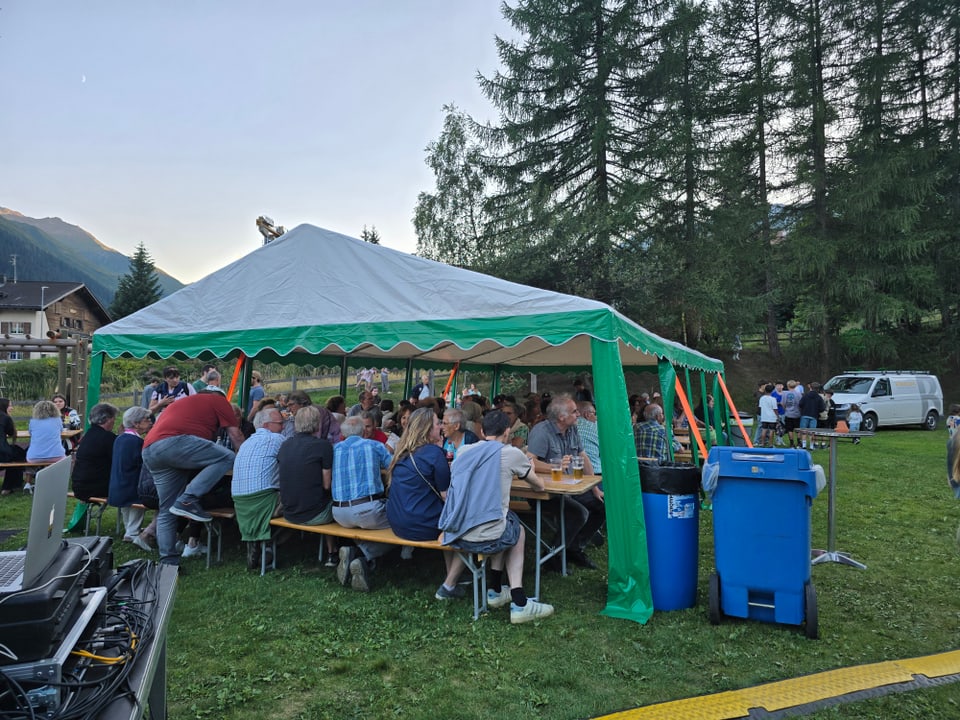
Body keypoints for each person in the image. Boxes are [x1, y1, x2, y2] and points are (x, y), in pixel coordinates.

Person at [439, 410, 554, 624]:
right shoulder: (511, 453)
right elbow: (538, 486)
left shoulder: (464, 451)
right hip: (487, 534)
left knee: (505, 519)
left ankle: (495, 590)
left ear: (482, 431)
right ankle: (519, 602)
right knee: (516, 531)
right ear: (508, 432)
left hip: (458, 531)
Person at [141, 389, 245, 566]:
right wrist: (247, 462)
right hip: (174, 443)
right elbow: (236, 436)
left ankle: (168, 563)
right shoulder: (220, 402)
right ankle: (189, 498)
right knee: (227, 456)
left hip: (150, 450)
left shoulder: (183, 404)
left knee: (167, 509)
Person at [386, 407, 466, 600]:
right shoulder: (433, 453)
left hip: (397, 523)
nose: (440, 427)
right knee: (466, 523)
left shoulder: (401, 452)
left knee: (447, 521)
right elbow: (447, 496)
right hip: (421, 525)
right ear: (427, 428)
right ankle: (450, 583)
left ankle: (451, 575)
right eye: (438, 423)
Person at [526, 394, 603, 569]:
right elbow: (529, 461)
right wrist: (554, 467)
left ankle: (574, 548)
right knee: (578, 513)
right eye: (574, 411)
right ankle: (553, 556)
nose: (578, 415)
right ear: (562, 417)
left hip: (569, 489)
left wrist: (594, 488)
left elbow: (583, 457)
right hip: (544, 492)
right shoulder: (541, 431)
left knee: (601, 505)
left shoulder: (572, 429)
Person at [331, 415, 393, 592]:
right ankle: (362, 555)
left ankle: (353, 553)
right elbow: (393, 466)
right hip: (368, 510)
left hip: (339, 514)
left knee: (366, 520)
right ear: (363, 430)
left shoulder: (334, 449)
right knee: (403, 525)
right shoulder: (374, 446)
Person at [278, 405, 338, 566]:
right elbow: (327, 485)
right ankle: (333, 553)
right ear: (317, 424)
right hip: (314, 513)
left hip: (289, 511)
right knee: (338, 503)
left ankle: (278, 542)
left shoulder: (285, 445)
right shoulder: (323, 446)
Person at [232, 406, 286, 570]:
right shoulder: (277, 439)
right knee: (298, 502)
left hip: (240, 503)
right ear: (267, 425)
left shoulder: (246, 443)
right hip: (264, 500)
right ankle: (268, 542)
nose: (283, 427)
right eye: (280, 423)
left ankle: (257, 540)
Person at [109, 406, 154, 544]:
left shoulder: (120, 438)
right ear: (136, 423)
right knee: (136, 506)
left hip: (118, 484)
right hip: (132, 486)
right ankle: (132, 532)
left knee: (127, 509)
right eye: (147, 419)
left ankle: (130, 529)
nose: (150, 422)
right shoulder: (137, 442)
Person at [71, 403, 120, 501]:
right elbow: (120, 461)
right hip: (95, 488)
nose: (114, 421)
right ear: (108, 419)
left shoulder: (88, 435)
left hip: (79, 486)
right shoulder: (107, 438)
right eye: (114, 418)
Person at [26, 399, 66, 464]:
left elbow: (30, 433)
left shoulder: (33, 421)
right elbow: (61, 431)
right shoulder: (57, 420)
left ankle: (33, 472)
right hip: (57, 456)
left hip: (34, 457)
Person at [0, 398, 27, 494]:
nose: (12, 408)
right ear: (4, 407)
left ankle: (14, 484)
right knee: (19, 455)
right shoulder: (5, 417)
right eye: (10, 405)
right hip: (2, 454)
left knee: (16, 452)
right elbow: (11, 433)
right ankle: (9, 487)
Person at [576, 401, 601, 475]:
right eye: (595, 414)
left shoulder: (570, 428)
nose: (597, 417)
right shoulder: (596, 427)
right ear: (587, 415)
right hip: (596, 472)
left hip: (575, 473)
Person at [798, 382, 825, 450]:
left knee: (804, 431)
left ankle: (803, 445)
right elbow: (822, 408)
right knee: (812, 432)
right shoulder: (819, 397)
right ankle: (811, 446)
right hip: (814, 416)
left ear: (810, 387)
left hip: (805, 414)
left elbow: (800, 404)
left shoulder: (805, 395)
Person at [781, 380, 802, 448]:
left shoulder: (785, 393)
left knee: (790, 429)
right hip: (797, 413)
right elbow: (800, 404)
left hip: (788, 413)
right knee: (798, 429)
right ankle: (799, 442)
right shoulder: (799, 394)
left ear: (788, 386)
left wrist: (785, 409)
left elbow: (782, 403)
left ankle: (792, 443)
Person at [758, 383, 778, 448]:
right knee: (771, 431)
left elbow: (760, 407)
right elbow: (775, 409)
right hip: (772, 417)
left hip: (764, 417)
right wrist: (777, 416)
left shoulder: (762, 398)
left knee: (764, 430)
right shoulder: (773, 399)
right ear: (772, 391)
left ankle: (762, 443)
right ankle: (770, 444)